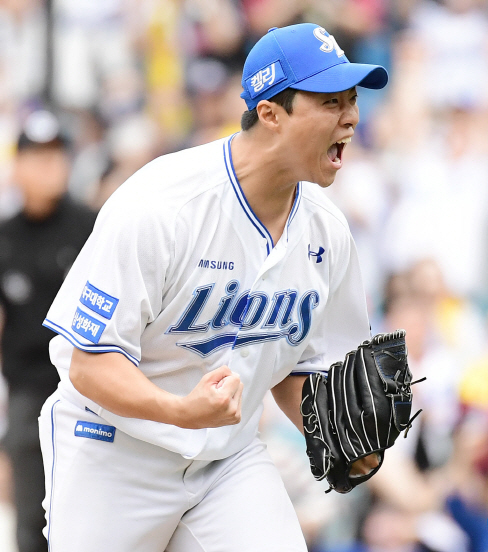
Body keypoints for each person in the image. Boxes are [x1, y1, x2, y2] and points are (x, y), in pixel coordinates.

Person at [38, 24, 388, 551]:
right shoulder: (162, 204)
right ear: (270, 112)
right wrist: (180, 411)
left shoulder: (327, 232)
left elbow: (300, 369)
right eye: (331, 101)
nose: (352, 117)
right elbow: (88, 364)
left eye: (353, 100)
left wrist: (340, 431)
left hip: (227, 460)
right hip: (113, 452)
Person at [0, 110, 95, 552]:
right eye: (37, 158)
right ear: (17, 166)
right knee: (30, 525)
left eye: (57, 156)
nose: (49, 167)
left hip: (89, 389)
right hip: (26, 394)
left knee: (91, 520)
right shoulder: (4, 237)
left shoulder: (92, 226)